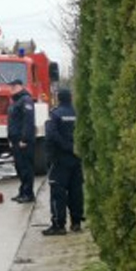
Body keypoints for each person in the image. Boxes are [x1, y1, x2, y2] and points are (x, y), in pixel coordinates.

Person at [42, 88, 84, 236]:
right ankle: (76, 222)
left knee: (58, 191)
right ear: (71, 98)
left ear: (58, 98)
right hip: (76, 158)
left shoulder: (55, 114)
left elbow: (51, 135)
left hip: (59, 159)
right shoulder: (77, 113)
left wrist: (64, 147)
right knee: (76, 191)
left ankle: (58, 224)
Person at [7, 78, 36, 203]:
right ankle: (23, 191)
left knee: (26, 168)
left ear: (19, 87)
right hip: (16, 140)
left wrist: (24, 139)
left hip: (23, 141)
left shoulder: (25, 100)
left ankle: (28, 194)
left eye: (13, 86)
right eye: (10, 87)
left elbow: (28, 122)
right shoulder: (16, 102)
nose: (11, 89)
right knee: (20, 167)